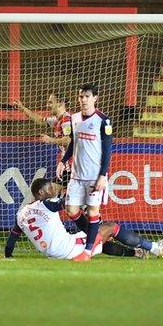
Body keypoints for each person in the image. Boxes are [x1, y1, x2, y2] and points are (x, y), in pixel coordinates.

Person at [4, 178, 163, 260]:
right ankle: (154, 247)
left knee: (94, 237)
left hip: (53, 253)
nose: (52, 190)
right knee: (109, 228)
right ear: (41, 193)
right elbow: (70, 201)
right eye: (49, 188)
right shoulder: (47, 203)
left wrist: (8, 257)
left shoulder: (22, 213)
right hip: (66, 249)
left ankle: (137, 253)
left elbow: (11, 241)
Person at [56, 83, 111, 262]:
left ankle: (87, 252)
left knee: (93, 212)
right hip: (76, 175)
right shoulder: (74, 118)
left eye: (87, 96)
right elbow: (73, 142)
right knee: (71, 209)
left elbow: (107, 150)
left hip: (94, 176)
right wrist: (63, 161)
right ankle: (93, 237)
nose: (83, 100)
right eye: (81, 96)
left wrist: (103, 175)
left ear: (95, 98)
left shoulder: (103, 120)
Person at [13, 93, 72, 188]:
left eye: (50, 103)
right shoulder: (57, 120)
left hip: (72, 166)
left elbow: (68, 140)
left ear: (60, 104)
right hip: (65, 165)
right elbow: (40, 120)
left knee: (54, 192)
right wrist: (22, 108)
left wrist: (50, 140)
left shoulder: (66, 120)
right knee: (55, 193)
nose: (47, 105)